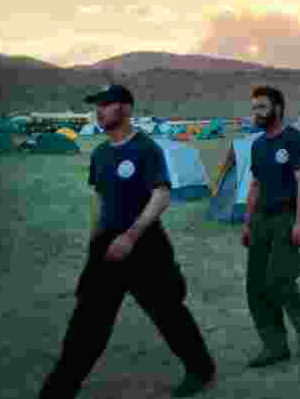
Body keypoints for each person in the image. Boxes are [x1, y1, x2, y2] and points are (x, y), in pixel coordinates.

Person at [40, 85, 216, 399]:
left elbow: (161, 195)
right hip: (108, 246)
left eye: (105, 105)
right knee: (88, 321)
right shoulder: (101, 154)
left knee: (168, 313)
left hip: (146, 245)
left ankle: (201, 369)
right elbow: (103, 200)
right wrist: (96, 238)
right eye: (97, 106)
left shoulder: (146, 149)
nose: (99, 111)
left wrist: (131, 235)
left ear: (125, 109)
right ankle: (59, 389)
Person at [242, 86, 300, 367]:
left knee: (279, 279)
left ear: (278, 109)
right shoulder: (258, 144)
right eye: (254, 108)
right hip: (261, 217)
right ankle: (274, 346)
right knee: (255, 285)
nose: (257, 113)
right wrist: (248, 222)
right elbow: (255, 185)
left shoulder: (295, 140)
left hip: (287, 217)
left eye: (262, 107)